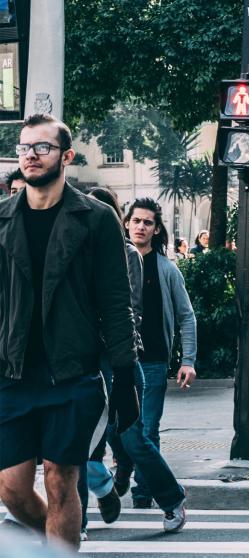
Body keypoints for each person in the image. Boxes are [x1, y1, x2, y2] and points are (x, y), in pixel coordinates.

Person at [0, 114, 139, 549]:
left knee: (62, 481)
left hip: (72, 374)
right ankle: (55, 544)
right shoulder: (3, 218)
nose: (31, 155)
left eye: (42, 147)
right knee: (12, 490)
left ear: (66, 156)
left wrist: (125, 377)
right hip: (13, 373)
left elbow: (117, 304)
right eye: (24, 147)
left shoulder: (95, 219)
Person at [84, 188, 188, 535]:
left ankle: (171, 498)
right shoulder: (79, 252)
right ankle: (80, 517)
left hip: (123, 360)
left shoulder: (126, 254)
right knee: (83, 440)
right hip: (84, 361)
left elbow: (126, 310)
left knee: (134, 437)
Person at [119, 198, 197, 510]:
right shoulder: (114, 263)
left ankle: (142, 495)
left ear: (156, 229)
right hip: (118, 362)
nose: (140, 226)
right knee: (120, 432)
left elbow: (186, 316)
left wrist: (187, 359)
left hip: (152, 361)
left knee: (147, 429)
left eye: (147, 222)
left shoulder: (166, 269)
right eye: (136, 220)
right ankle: (125, 471)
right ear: (126, 223)